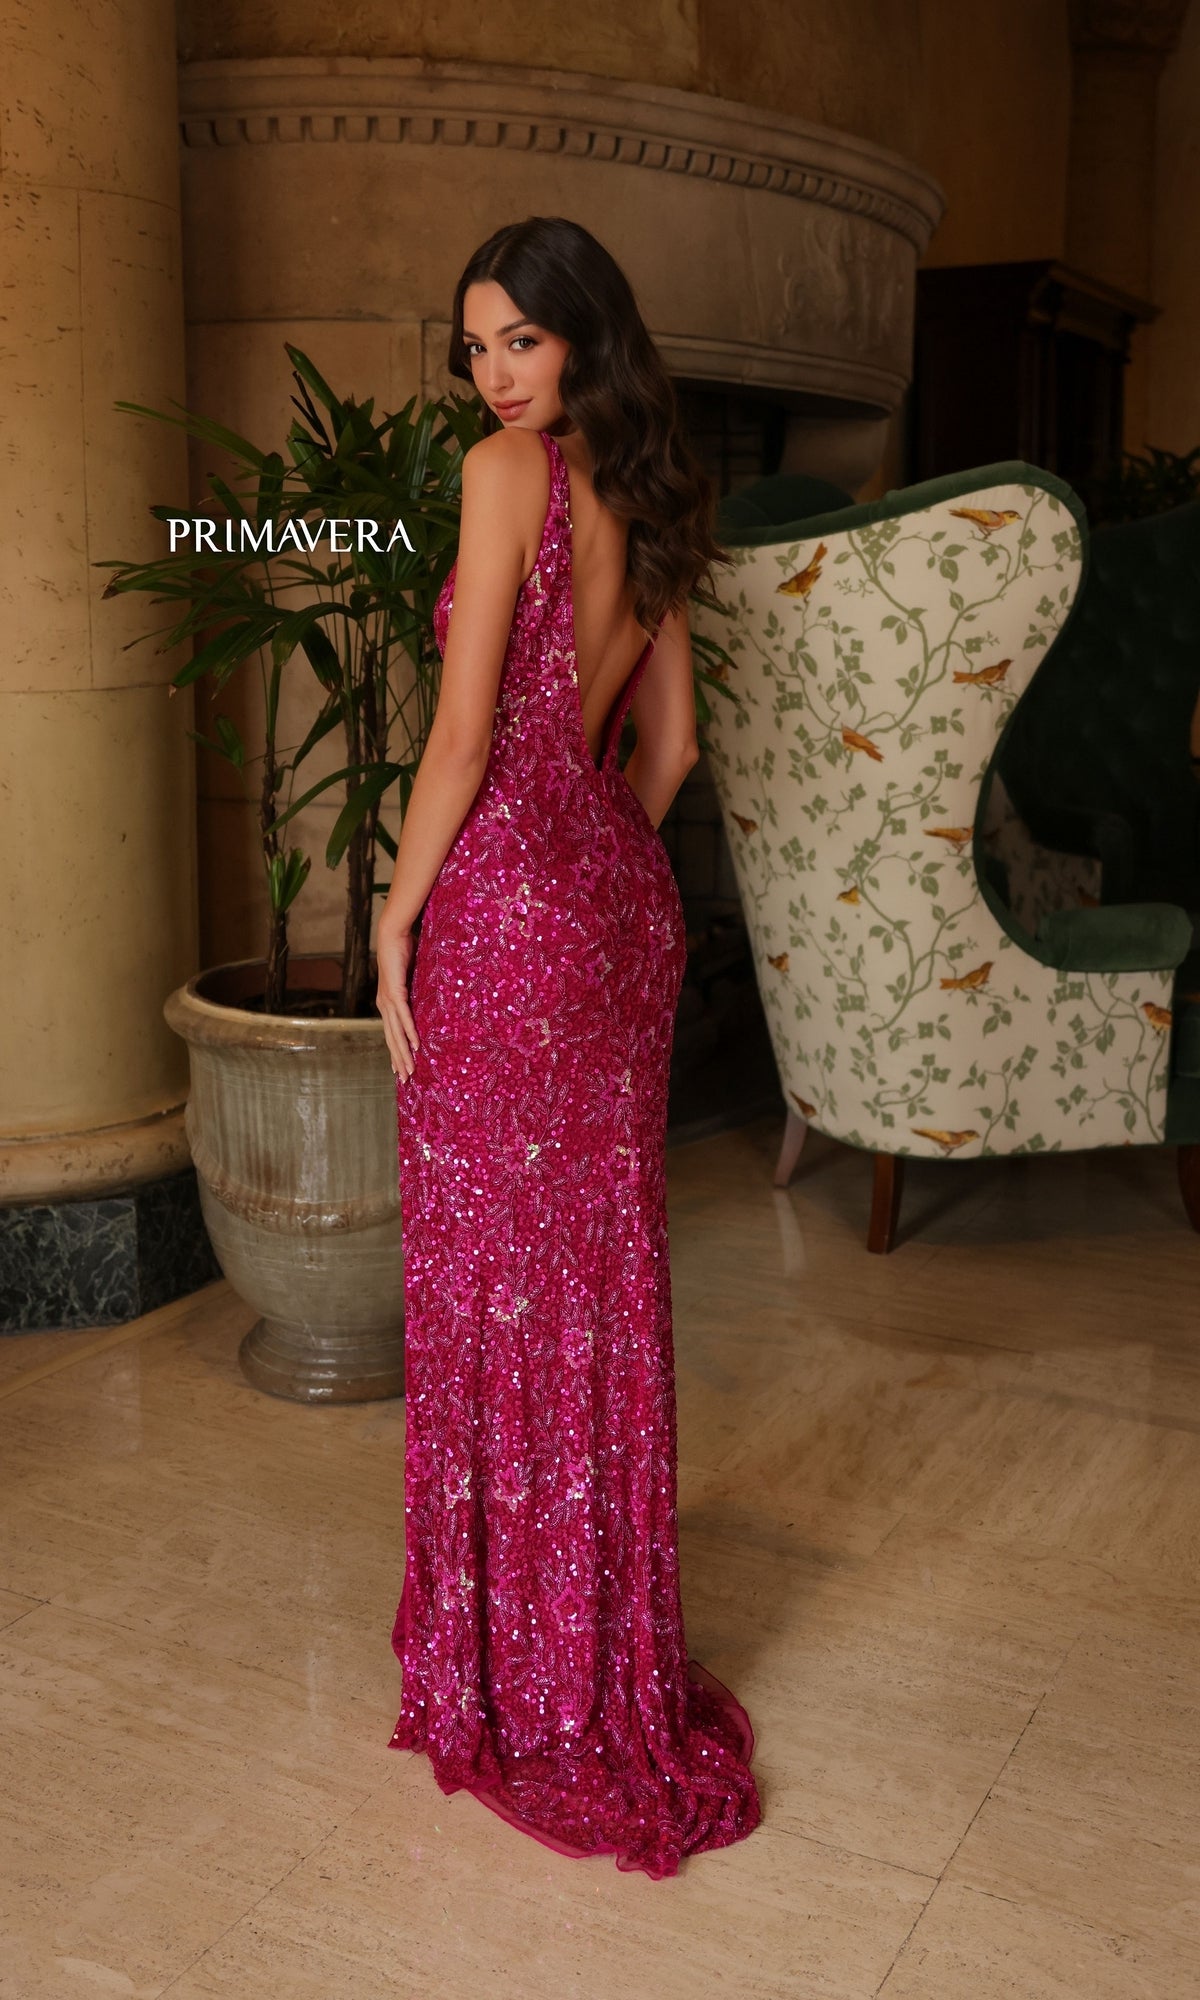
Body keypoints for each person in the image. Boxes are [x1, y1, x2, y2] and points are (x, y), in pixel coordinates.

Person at [374, 214, 761, 1878]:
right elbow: (667, 746)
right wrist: (593, 848)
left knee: (485, 1275)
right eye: (476, 349)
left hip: (508, 915)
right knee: (593, 1279)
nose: (493, 376)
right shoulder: (660, 487)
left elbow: (463, 732)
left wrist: (400, 912)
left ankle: (507, 1675)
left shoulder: (502, 474)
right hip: (615, 901)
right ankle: (593, 1661)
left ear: (583, 334)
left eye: (518, 341)